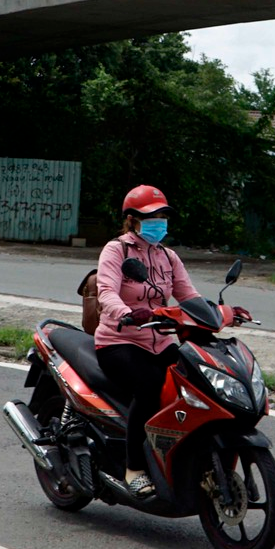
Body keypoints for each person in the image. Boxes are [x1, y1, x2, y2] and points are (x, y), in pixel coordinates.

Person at [93, 184, 201, 501]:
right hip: (119, 340)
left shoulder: (168, 256)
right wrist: (126, 313)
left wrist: (222, 312)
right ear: (133, 219)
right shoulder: (117, 250)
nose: (159, 223)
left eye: (163, 216)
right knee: (151, 387)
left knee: (193, 381)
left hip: (159, 339)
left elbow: (188, 296)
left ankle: (176, 453)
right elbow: (107, 291)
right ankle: (134, 469)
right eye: (152, 217)